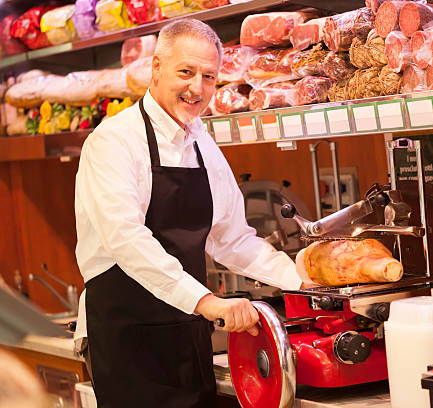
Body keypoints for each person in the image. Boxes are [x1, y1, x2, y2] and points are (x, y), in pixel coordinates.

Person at [74, 18, 307, 407]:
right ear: (156, 68)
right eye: (186, 72)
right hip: (127, 341)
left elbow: (233, 240)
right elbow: (127, 241)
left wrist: (304, 281)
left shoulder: (202, 143)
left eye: (209, 77)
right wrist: (206, 303)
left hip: (187, 337)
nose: (197, 88)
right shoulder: (113, 141)